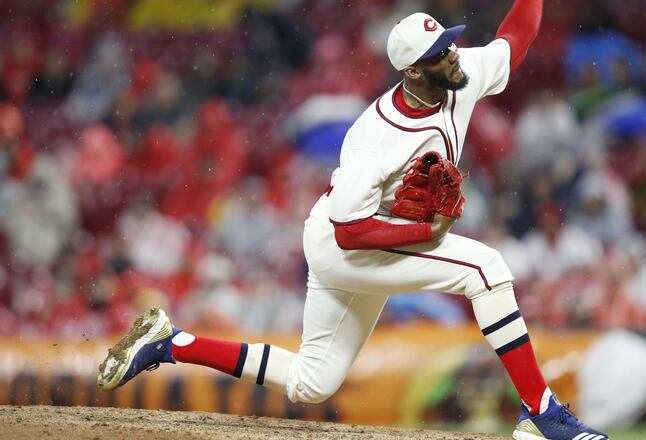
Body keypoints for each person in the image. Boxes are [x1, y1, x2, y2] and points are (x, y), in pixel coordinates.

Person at [97, 2, 608, 439]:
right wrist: (424, 233)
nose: (453, 55)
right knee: (486, 270)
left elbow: (514, 40)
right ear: (412, 72)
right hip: (349, 241)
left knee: (312, 383)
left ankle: (171, 342)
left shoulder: (461, 76)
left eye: (450, 45)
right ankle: (542, 414)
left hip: (363, 237)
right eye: (440, 55)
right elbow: (351, 231)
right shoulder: (374, 141)